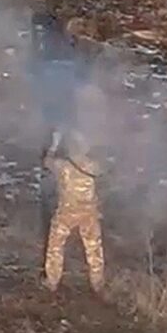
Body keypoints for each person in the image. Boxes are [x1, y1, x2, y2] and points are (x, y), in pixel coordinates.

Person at [42, 126, 109, 294]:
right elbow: (105, 170)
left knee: (55, 247)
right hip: (89, 213)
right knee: (94, 248)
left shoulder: (62, 166)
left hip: (66, 213)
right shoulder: (92, 166)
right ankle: (98, 283)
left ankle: (52, 281)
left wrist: (54, 143)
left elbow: (46, 162)